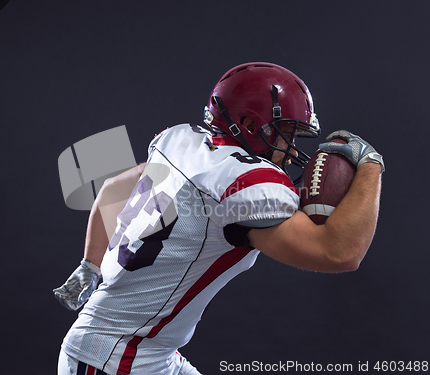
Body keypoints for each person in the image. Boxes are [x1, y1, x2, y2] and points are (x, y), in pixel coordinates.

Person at [54, 62, 384, 375]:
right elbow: (339, 252)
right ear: (252, 125)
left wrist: (90, 266)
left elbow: (111, 190)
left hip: (146, 354)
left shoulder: (181, 141)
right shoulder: (248, 185)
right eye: (287, 133)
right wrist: (371, 165)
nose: (293, 147)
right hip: (114, 360)